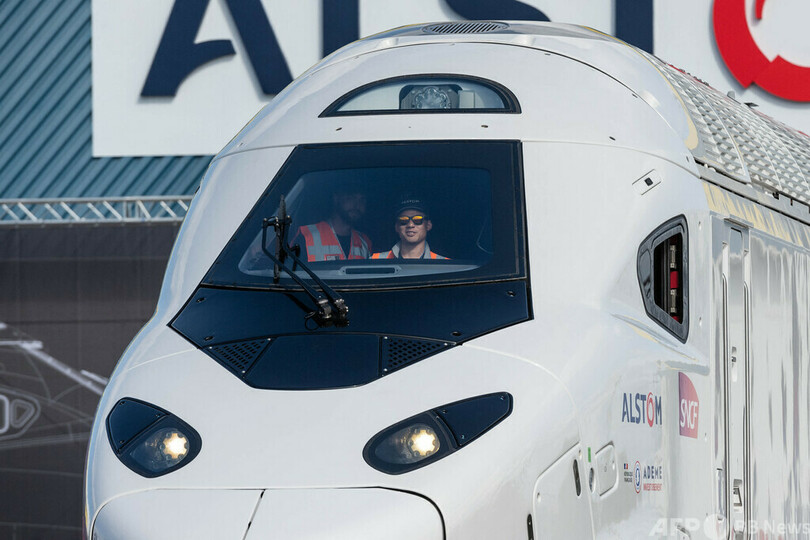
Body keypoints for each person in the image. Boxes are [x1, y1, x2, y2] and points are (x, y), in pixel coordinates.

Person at [294, 187, 372, 261]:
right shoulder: (307, 236)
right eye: (351, 197)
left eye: (362, 200)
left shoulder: (364, 242)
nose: (357, 205)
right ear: (336, 198)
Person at [372, 197, 447, 260]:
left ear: (428, 225)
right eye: (403, 220)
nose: (410, 225)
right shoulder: (376, 260)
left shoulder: (444, 265)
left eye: (417, 219)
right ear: (396, 227)